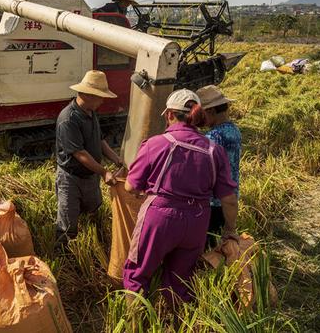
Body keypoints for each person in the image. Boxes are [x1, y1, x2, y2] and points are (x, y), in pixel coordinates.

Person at [122, 89, 238, 306]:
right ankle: (178, 323)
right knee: (180, 280)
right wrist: (230, 230)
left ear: (169, 115)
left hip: (160, 219)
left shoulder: (156, 144)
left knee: (137, 275)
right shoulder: (214, 150)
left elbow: (130, 186)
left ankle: (134, 322)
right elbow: (229, 199)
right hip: (196, 221)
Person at [55, 70, 123, 245]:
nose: (102, 101)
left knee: (93, 210)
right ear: (86, 94)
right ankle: (64, 257)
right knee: (68, 222)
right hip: (71, 178)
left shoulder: (90, 113)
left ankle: (90, 243)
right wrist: (104, 172)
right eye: (99, 97)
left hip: (90, 176)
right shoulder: (68, 119)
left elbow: (99, 140)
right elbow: (79, 153)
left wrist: (116, 158)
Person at [197, 85, 241, 248]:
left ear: (211, 112)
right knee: (215, 244)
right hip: (228, 198)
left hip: (213, 201)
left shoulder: (214, 136)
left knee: (206, 248)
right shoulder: (233, 129)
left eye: (202, 115)